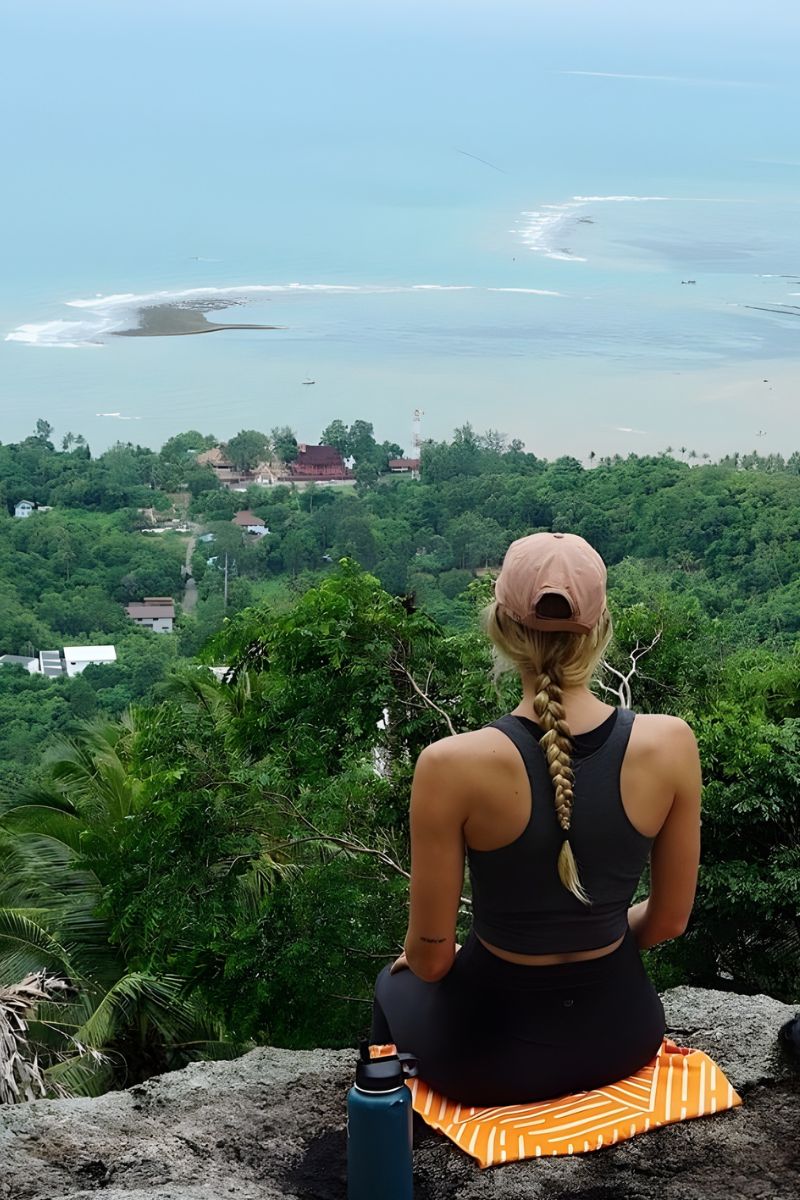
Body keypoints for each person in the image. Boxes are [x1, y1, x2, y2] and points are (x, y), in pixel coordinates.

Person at [371, 532, 702, 1106]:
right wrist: (592, 936)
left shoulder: (451, 765)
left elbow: (431, 961)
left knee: (390, 984)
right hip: (626, 1039)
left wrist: (422, 956)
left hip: (491, 1063)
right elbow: (670, 921)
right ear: (601, 630)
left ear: (500, 626)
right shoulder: (672, 743)